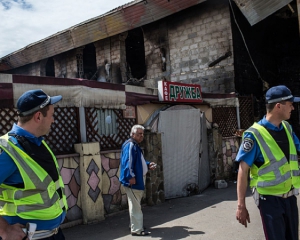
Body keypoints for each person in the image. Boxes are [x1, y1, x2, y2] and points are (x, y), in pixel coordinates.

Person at [0, 89, 68, 240]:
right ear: (38, 116)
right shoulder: (7, 150)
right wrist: (4, 230)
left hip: (53, 233)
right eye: (51, 115)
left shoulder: (37, 143)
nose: (53, 120)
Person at [236, 85, 300, 240]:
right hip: (270, 201)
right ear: (279, 106)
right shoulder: (254, 135)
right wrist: (241, 206)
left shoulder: (287, 128)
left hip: (290, 198)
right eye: (290, 104)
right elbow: (243, 171)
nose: (293, 107)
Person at [119, 125, 156, 236]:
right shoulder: (131, 145)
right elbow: (128, 162)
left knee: (134, 204)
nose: (141, 136)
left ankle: (135, 225)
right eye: (139, 134)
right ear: (133, 134)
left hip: (135, 180)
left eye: (142, 134)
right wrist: (131, 177)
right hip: (133, 182)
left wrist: (148, 165)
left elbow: (138, 161)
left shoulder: (134, 145)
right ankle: (137, 229)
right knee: (136, 206)